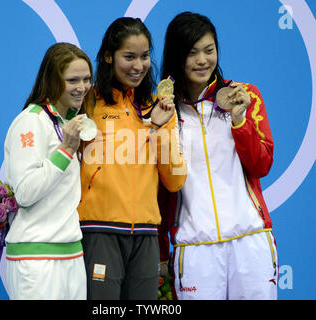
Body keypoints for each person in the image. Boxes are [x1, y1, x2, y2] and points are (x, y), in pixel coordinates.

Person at [158, 12, 278, 300]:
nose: (202, 60)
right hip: (196, 249)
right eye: (192, 52)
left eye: (209, 50)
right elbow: (161, 189)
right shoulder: (164, 113)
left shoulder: (245, 96)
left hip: (251, 242)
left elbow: (261, 165)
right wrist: (162, 251)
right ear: (177, 56)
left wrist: (240, 121)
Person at [77, 17, 187, 300]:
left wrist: (159, 127)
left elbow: (175, 180)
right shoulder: (87, 102)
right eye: (129, 57)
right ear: (107, 56)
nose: (138, 66)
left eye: (145, 56)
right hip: (98, 230)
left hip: (147, 235)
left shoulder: (157, 106)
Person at [3, 42, 94, 299]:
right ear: (53, 80)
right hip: (36, 258)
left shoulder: (67, 121)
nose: (82, 87)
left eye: (87, 79)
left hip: (71, 252)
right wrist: (65, 150)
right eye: (72, 80)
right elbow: (25, 192)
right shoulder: (30, 122)